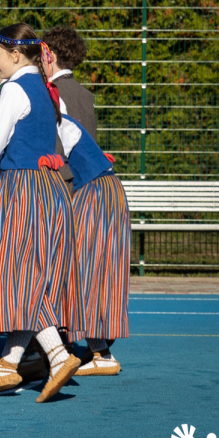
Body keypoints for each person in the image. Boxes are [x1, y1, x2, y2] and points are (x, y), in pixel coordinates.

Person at [0, 24, 81, 403]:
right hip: (49, 189)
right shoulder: (45, 90)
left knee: (15, 277)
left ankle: (58, 357)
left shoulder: (13, 89)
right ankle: (7, 366)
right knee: (26, 276)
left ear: (15, 56)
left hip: (23, 191)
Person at [57, 110, 130, 376]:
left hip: (95, 193)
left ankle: (100, 353)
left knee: (80, 274)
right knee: (86, 274)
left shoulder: (53, 123)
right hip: (101, 191)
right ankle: (95, 350)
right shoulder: (60, 121)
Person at [42, 26, 97, 192]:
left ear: (50, 55)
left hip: (61, 181)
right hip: (87, 178)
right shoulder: (86, 94)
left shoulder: (51, 92)